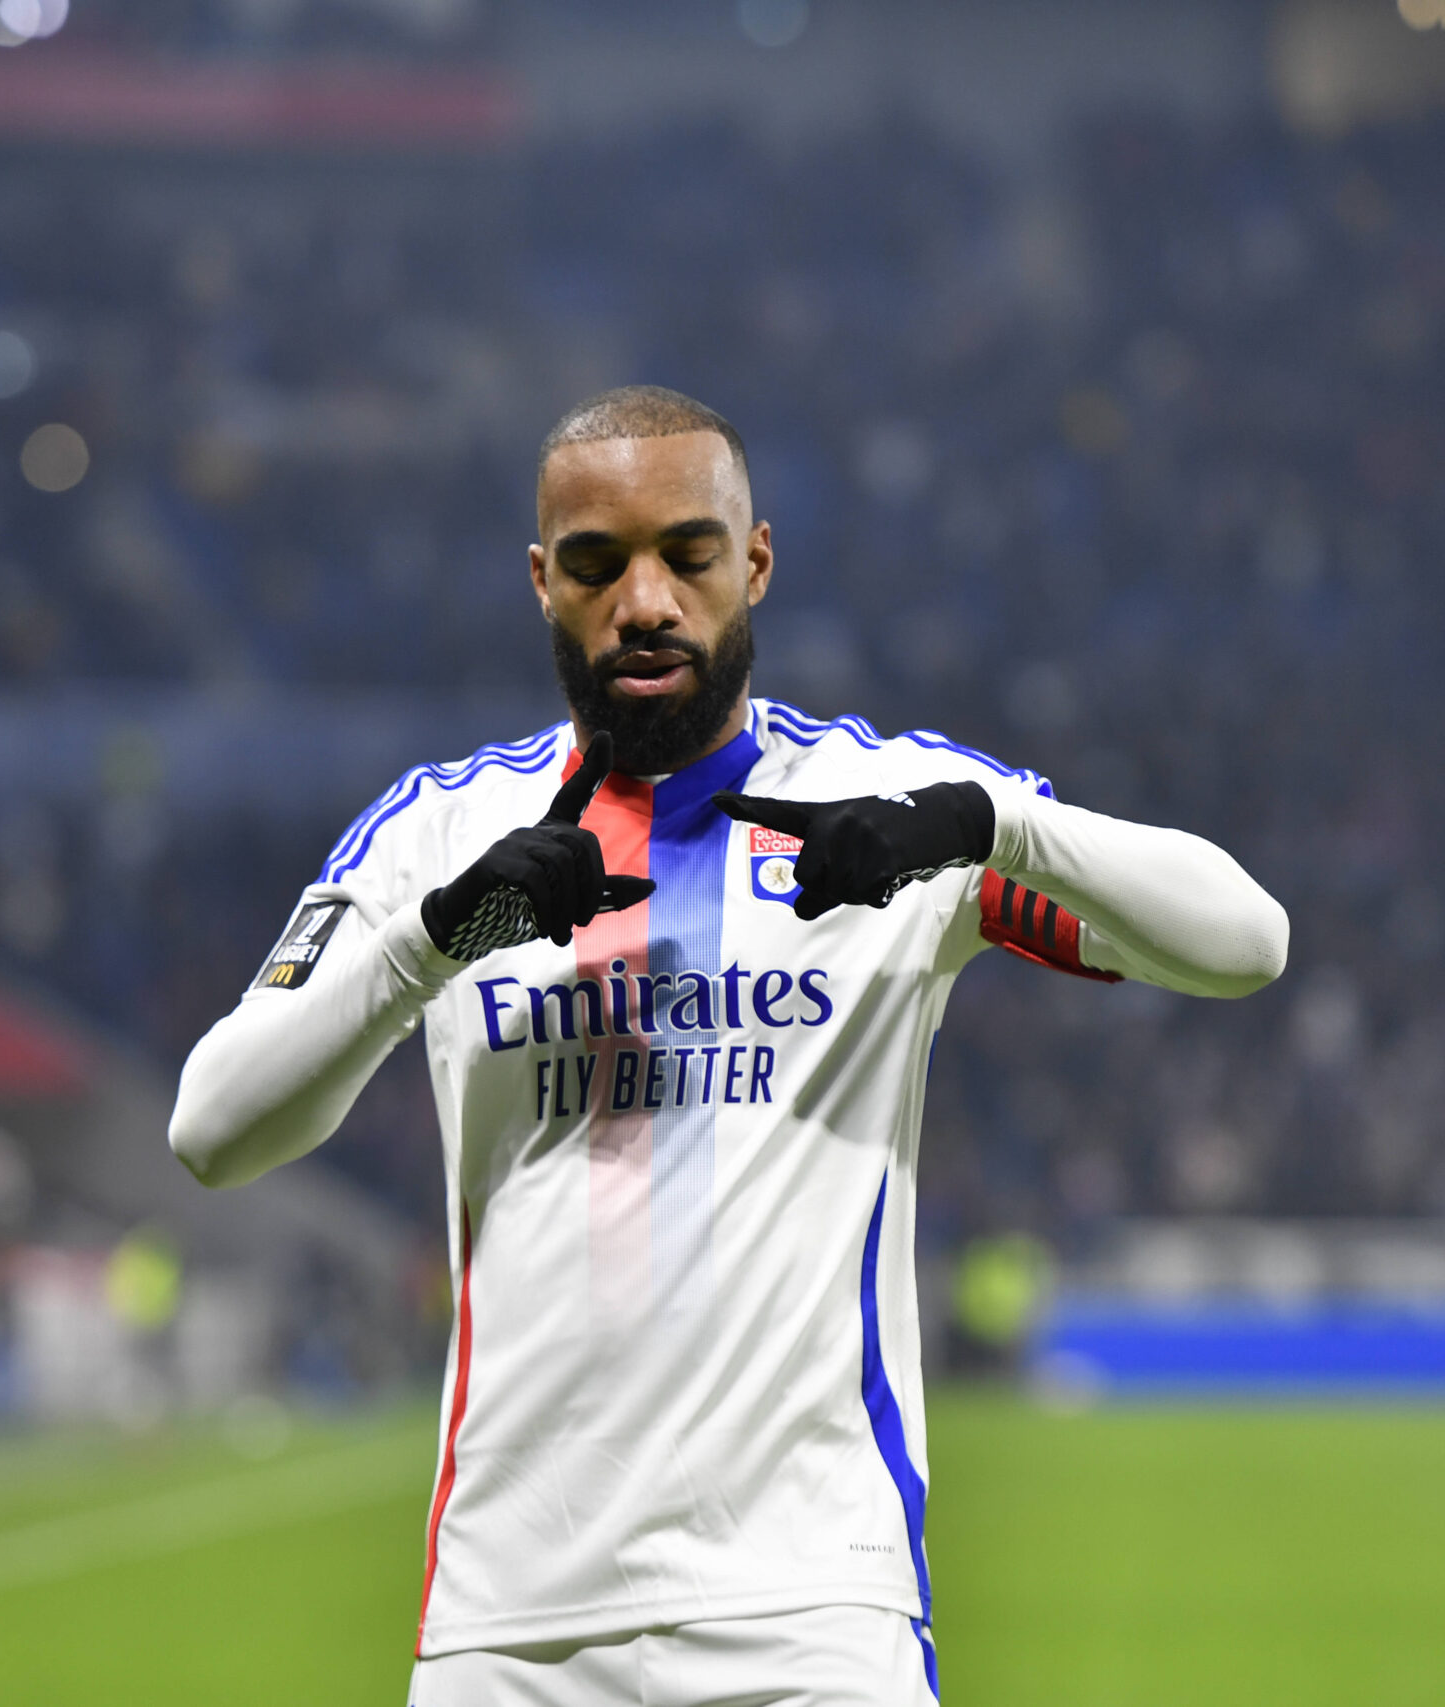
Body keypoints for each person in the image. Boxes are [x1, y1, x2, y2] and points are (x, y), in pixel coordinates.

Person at [169, 386, 1288, 1705]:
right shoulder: (435, 832)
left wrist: (998, 824)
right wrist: (430, 938)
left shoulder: (891, 808)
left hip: (810, 1614)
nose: (644, 599)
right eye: (596, 563)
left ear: (752, 562)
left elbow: (1244, 940)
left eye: (688, 555)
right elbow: (211, 1129)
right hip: (508, 1629)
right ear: (541, 581)